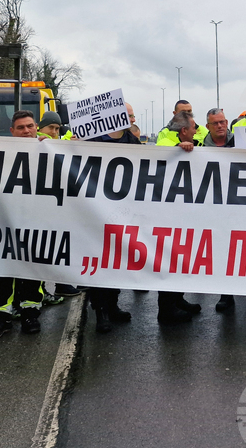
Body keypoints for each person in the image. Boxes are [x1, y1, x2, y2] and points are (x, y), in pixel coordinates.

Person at [0, 110, 47, 341]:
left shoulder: (48, 149)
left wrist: (63, 147)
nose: (26, 131)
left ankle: (30, 315)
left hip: (35, 221)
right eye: (20, 127)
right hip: (4, 220)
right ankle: (0, 319)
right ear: (12, 131)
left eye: (30, 126)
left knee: (33, 268)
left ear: (36, 127)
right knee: (1, 270)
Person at [200, 108, 246, 313]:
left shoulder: (242, 140)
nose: (220, 126)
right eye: (215, 123)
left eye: (223, 122)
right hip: (217, 207)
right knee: (223, 251)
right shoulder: (201, 147)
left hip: (245, 203)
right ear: (208, 126)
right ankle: (226, 295)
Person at [85, 102, 139, 332]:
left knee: (115, 261)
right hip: (95, 210)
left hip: (121, 212)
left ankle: (113, 305)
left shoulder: (131, 140)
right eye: (129, 115)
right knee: (99, 261)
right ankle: (101, 311)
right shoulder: (92, 139)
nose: (133, 119)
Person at [154, 111, 204, 323]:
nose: (197, 131)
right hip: (168, 213)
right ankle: (166, 310)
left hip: (181, 211)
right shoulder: (167, 141)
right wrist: (177, 148)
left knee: (180, 258)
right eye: (194, 128)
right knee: (169, 259)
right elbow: (161, 155)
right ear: (184, 131)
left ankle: (177, 300)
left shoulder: (183, 141)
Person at [36, 112, 81, 302]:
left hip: (58, 203)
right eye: (51, 128)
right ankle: (43, 289)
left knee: (59, 246)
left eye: (57, 128)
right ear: (41, 127)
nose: (54, 132)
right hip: (43, 205)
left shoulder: (60, 142)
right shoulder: (37, 142)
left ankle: (60, 284)